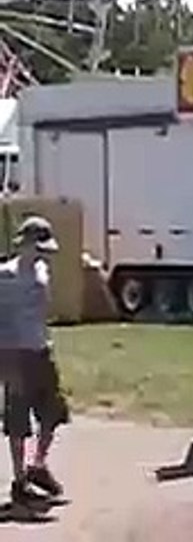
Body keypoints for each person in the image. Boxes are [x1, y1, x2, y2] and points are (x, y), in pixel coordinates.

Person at [0, 216, 69, 505]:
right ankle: (19, 482)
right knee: (17, 421)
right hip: (14, 354)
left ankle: (37, 466)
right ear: (24, 245)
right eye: (38, 247)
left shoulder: (43, 271)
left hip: (41, 350)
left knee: (53, 412)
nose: (43, 254)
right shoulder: (5, 276)